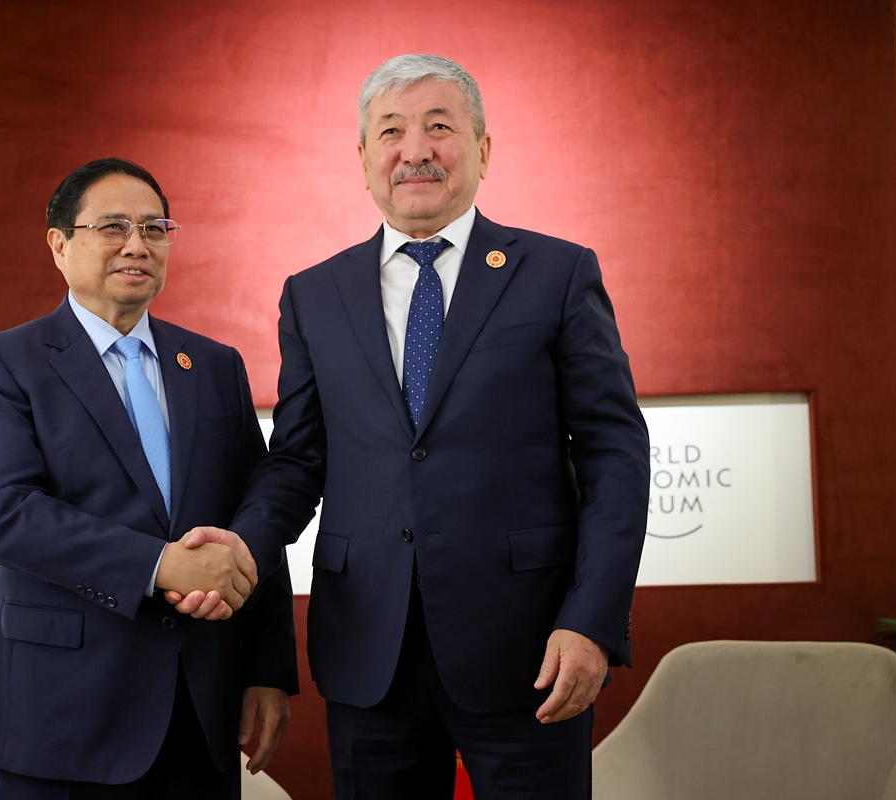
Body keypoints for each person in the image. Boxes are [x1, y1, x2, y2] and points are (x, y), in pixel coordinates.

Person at [171, 54, 650, 799]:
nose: (415, 150)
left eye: (439, 127)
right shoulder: (314, 294)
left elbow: (615, 454)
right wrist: (244, 545)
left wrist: (591, 620)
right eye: (391, 131)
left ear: (483, 149)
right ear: (364, 156)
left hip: (531, 649)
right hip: (369, 651)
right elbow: (298, 460)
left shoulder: (557, 274)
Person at [0, 158, 297, 800]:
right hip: (63, 713)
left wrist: (267, 669)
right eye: (113, 227)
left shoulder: (214, 366)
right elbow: (5, 512)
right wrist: (161, 565)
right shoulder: (0, 364)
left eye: (154, 228)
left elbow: (254, 514)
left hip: (200, 708)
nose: (137, 244)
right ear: (59, 244)